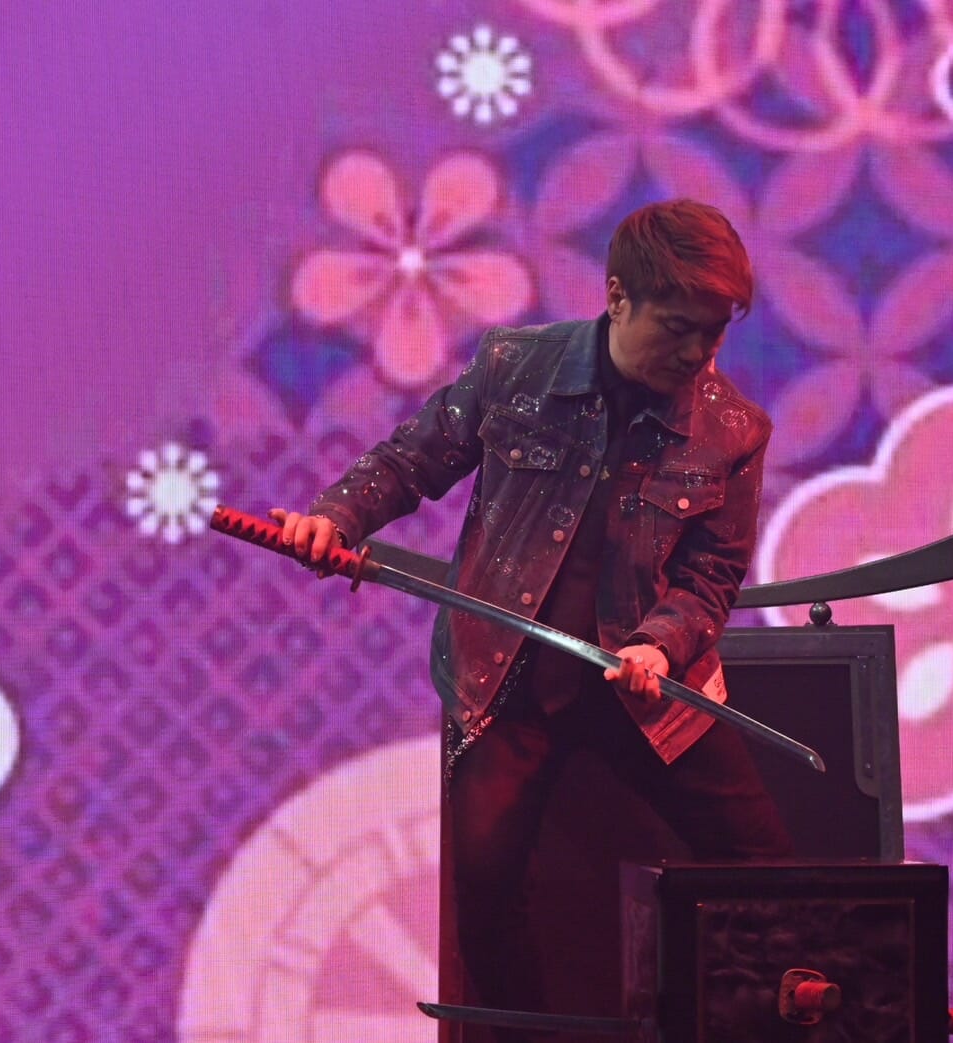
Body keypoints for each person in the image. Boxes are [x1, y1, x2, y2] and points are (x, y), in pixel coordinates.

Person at [269, 198, 794, 1039]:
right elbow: (410, 460)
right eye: (677, 327)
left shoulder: (733, 430)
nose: (696, 353)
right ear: (617, 297)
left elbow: (711, 576)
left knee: (766, 862)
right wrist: (335, 519)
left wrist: (660, 647)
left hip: (645, 689)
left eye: (712, 334)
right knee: (484, 889)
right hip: (504, 676)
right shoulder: (514, 365)